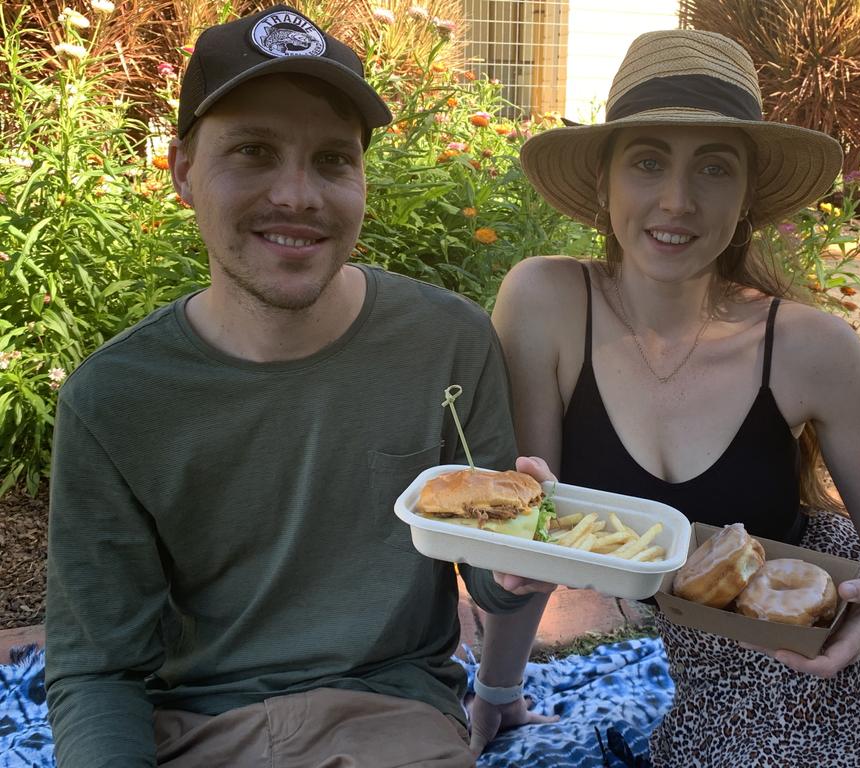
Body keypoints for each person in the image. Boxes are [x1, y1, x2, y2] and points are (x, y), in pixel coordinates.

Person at [492, 29, 860, 767]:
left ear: (746, 199)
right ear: (604, 182)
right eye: (648, 162)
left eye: (715, 168)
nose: (677, 201)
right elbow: (533, 533)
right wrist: (496, 695)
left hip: (846, 630)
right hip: (725, 680)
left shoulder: (811, 347)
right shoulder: (545, 302)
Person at [44, 6, 553, 766]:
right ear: (183, 170)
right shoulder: (114, 400)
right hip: (193, 725)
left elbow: (489, 573)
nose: (298, 195)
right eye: (253, 151)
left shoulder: (446, 342)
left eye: (332, 160)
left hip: (390, 715)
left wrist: (520, 560)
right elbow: (97, 668)